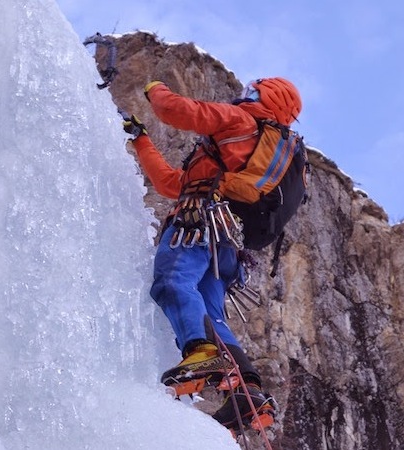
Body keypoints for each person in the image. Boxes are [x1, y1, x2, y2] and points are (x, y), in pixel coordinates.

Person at [122, 77, 302, 430]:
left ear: (266, 99)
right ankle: (247, 394)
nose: (245, 95)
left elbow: (174, 110)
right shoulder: (251, 150)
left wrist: (153, 86)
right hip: (228, 246)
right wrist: (141, 139)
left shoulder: (240, 120)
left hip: (199, 223)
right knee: (211, 315)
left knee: (172, 281)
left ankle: (200, 353)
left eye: (254, 92)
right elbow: (170, 183)